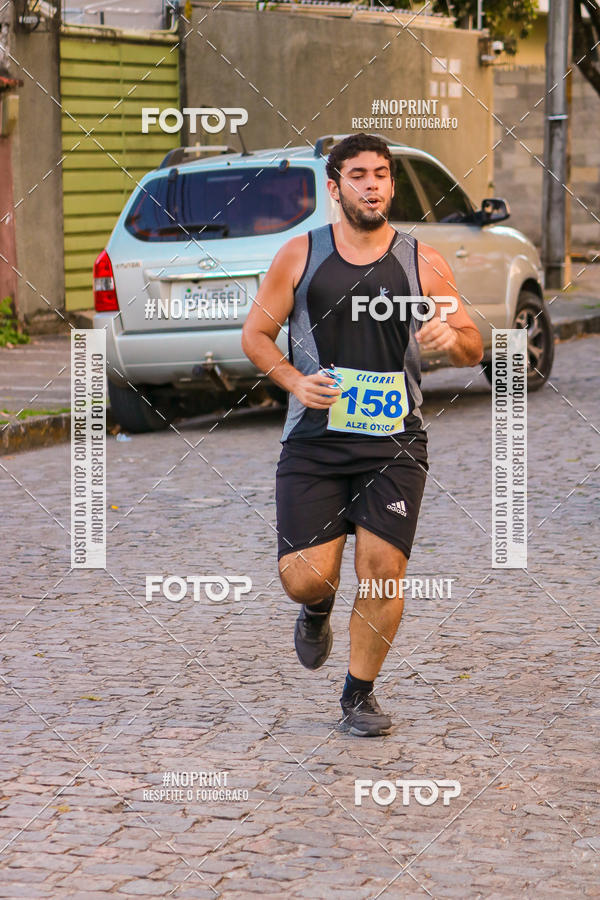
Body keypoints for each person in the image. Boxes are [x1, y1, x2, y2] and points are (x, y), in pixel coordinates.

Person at [242, 133, 483, 736]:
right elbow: (255, 337)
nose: (371, 185)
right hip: (315, 442)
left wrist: (449, 340)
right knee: (305, 577)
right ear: (335, 186)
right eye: (358, 175)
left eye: (380, 175)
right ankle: (317, 607)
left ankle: (358, 694)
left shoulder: (422, 261)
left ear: (391, 185)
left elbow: (475, 344)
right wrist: (295, 382)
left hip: (394, 442)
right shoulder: (299, 255)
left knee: (382, 570)